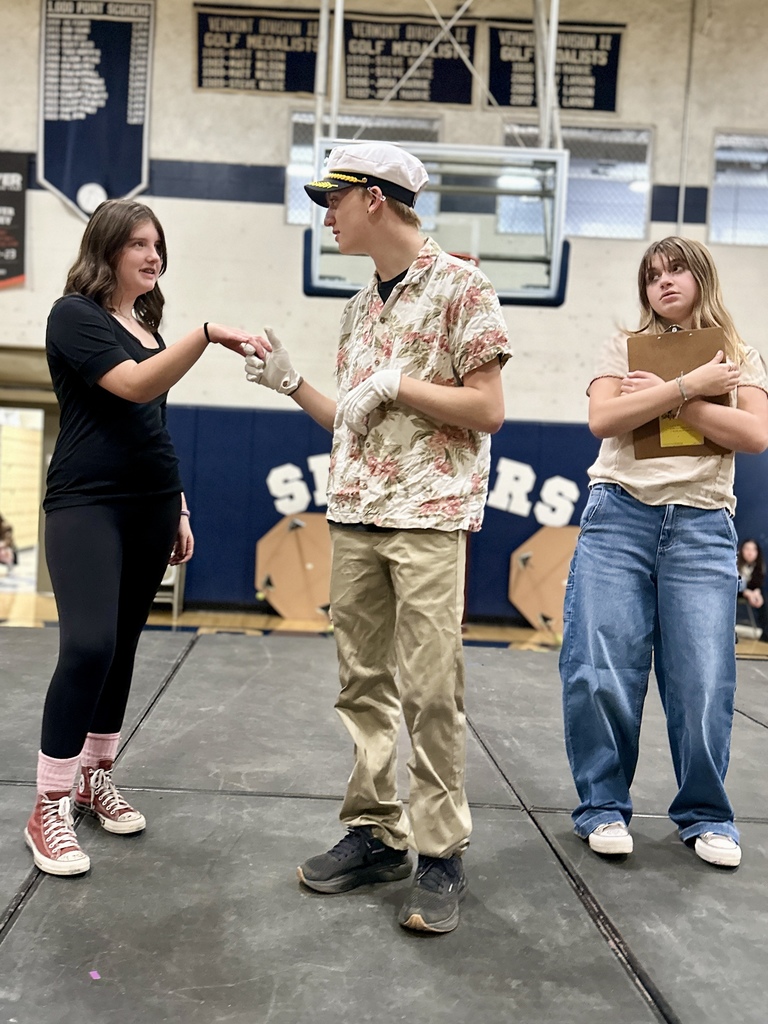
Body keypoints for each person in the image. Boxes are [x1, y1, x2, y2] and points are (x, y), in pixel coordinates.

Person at [244, 142, 512, 932]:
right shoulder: (360, 309)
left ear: (374, 198)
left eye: (333, 199)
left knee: (431, 690)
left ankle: (440, 855)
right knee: (361, 685)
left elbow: (489, 408)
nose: (325, 215)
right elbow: (350, 424)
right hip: (357, 511)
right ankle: (376, 834)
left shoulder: (465, 287)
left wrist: (397, 382)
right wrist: (292, 382)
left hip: (428, 518)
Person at [25, 199, 267, 877]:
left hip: (152, 504)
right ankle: (48, 802)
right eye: (137, 243)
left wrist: (180, 507)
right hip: (86, 503)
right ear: (106, 251)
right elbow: (132, 389)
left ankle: (94, 775)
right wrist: (210, 333)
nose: (152, 254)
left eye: (157, 243)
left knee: (122, 649)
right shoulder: (73, 316)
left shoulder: (145, 323)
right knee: (88, 645)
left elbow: (150, 429)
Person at [560, 236, 768, 869]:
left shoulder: (739, 356)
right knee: (600, 667)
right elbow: (604, 420)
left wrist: (685, 393)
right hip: (619, 516)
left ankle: (706, 815)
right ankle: (602, 806)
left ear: (702, 277)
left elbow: (754, 435)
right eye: (652, 276)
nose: (664, 283)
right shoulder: (621, 348)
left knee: (703, 677)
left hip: (703, 527)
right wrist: (687, 386)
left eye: (677, 270)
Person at [737, 537, 768, 641]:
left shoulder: (759, 567)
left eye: (753, 549)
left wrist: (757, 593)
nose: (750, 552)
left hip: (752, 593)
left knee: (764, 598)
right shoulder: (735, 564)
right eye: (747, 549)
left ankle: (766, 632)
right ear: (741, 550)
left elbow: (758, 584)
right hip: (736, 592)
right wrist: (747, 593)